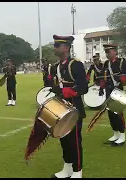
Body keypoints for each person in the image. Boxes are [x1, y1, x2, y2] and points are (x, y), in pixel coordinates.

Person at [49, 35, 88, 178]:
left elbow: (83, 87)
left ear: (66, 47)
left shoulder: (75, 64)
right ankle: (67, 169)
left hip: (74, 110)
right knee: (63, 140)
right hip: (61, 110)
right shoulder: (57, 66)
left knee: (74, 141)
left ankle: (77, 172)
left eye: (57, 45)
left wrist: (64, 91)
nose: (55, 48)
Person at [99, 44, 126, 146]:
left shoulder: (121, 62)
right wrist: (101, 87)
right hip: (109, 90)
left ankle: (122, 136)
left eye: (109, 51)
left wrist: (120, 78)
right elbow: (103, 76)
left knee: (118, 113)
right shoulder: (106, 63)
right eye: (106, 52)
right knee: (111, 114)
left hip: (118, 90)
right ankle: (115, 134)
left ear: (115, 52)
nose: (107, 54)